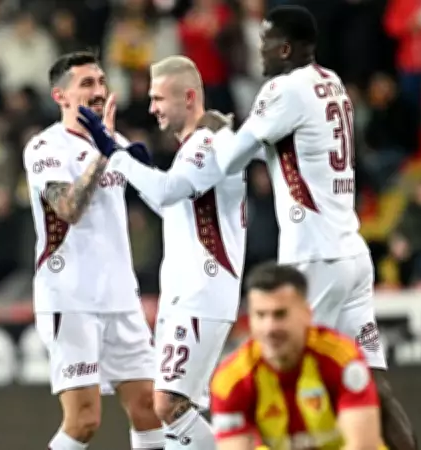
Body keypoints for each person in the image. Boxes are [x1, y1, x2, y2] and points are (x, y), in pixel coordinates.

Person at [197, 6, 417, 449]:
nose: (259, 51)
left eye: (264, 43)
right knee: (370, 384)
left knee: (291, 373)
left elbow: (230, 160)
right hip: (351, 252)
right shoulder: (331, 82)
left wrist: (216, 131)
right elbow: (292, 148)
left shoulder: (283, 88)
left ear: (284, 49)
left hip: (313, 257)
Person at [78, 55, 247, 449]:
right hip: (183, 292)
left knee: (168, 404)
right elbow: (174, 207)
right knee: (172, 407)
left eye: (158, 98)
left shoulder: (209, 142)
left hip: (204, 290)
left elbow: (169, 191)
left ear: (188, 97)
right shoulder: (192, 147)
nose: (152, 107)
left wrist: (117, 155)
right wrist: (131, 159)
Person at [22, 51, 164, 450]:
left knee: (149, 408)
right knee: (84, 420)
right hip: (70, 298)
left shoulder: (118, 142)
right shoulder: (44, 147)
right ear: (60, 96)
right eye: (87, 84)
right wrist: (103, 153)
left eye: (101, 82)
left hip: (121, 297)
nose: (99, 91)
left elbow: (161, 200)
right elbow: (68, 208)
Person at [210, 262, 384, 450]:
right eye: (260, 315)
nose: (270, 328)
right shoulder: (230, 380)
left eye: (280, 314)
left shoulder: (343, 360)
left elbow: (362, 446)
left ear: (306, 314)